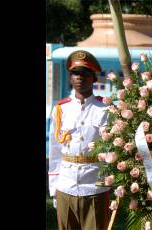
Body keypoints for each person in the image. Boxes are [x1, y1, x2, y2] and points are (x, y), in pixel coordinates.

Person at [48, 50, 110, 230]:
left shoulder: (105, 109)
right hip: (66, 185)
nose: (80, 77)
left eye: (85, 73)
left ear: (94, 78)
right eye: (75, 73)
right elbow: (55, 151)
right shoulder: (60, 109)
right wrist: (54, 189)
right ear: (70, 77)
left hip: (95, 186)